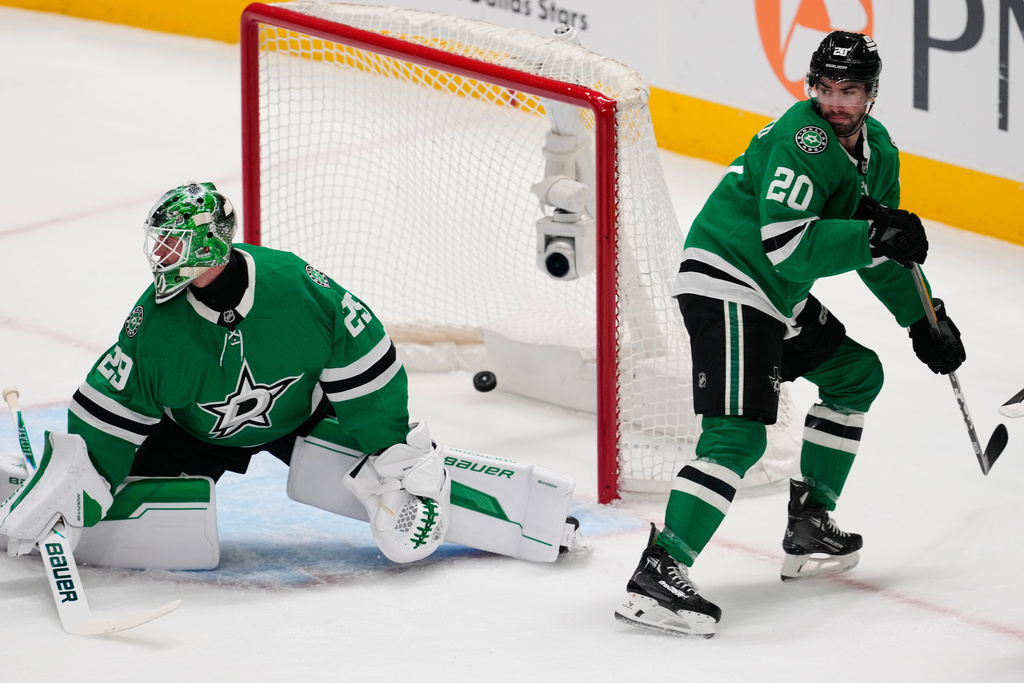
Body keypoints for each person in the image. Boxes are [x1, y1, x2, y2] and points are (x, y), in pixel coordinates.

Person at [0, 181, 578, 567]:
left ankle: (537, 521)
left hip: (297, 418)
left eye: (177, 241)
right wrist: (77, 475)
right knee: (103, 493)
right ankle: (23, 493)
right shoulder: (154, 324)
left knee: (393, 484)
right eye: (163, 242)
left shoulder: (294, 287)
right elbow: (111, 406)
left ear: (209, 241)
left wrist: (391, 452)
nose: (165, 254)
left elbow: (365, 360)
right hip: (189, 432)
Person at [613, 32, 966, 638]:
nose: (834, 101)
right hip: (729, 280)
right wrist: (874, 238)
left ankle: (810, 520)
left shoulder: (878, 151)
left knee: (856, 374)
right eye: (824, 88)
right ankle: (660, 569)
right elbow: (786, 245)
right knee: (736, 437)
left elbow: (880, 247)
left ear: (870, 95)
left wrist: (923, 317)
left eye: (848, 90)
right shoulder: (799, 139)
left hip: (777, 296)